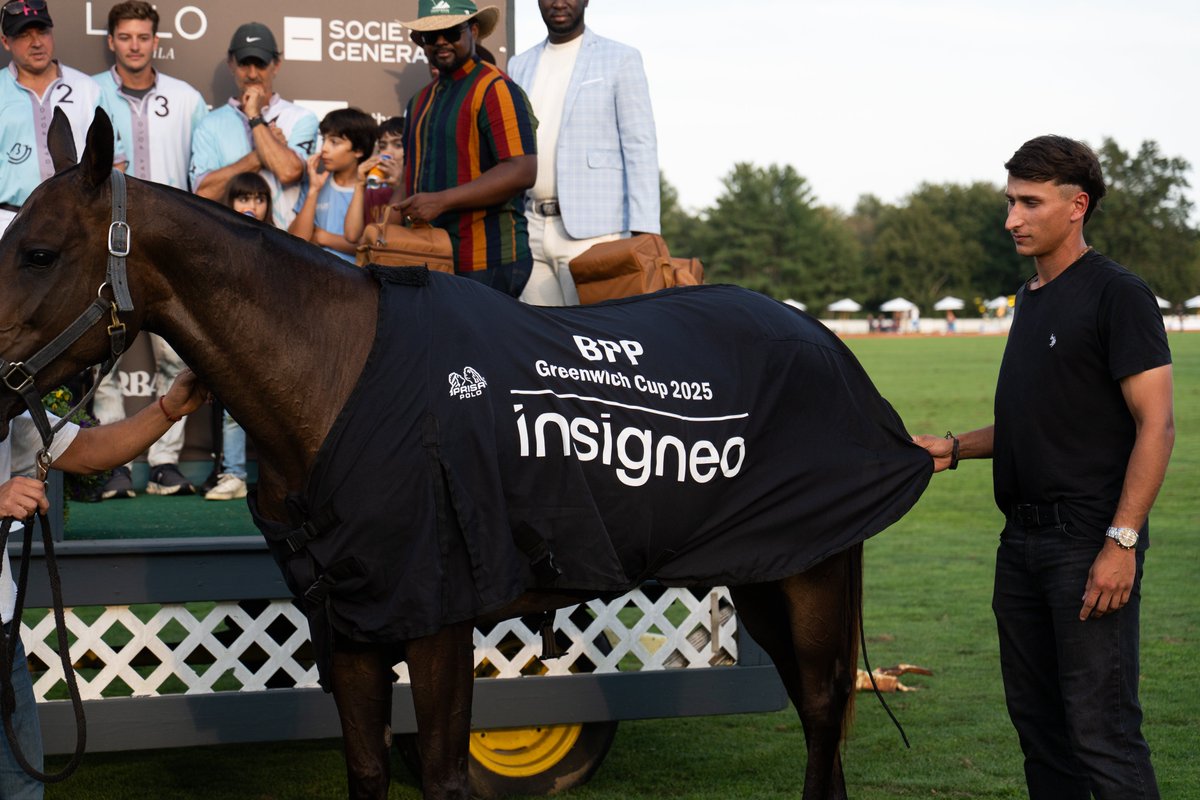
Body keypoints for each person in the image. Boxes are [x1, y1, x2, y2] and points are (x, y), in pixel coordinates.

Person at [914, 135, 1174, 800]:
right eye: (1010, 202)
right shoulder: (1030, 298)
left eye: (1029, 203)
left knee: (1102, 735)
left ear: (1076, 206)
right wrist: (951, 449)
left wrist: (1122, 542)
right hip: (1021, 545)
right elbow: (1038, 421)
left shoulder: (1118, 294)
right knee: (1040, 733)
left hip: (1087, 541)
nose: (1012, 219)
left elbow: (1157, 425)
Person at [0, 371, 206, 798]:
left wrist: (170, 408)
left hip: (3, 638)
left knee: (23, 790)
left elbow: (94, 451)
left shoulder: (10, 417)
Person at [91, 0, 210, 499]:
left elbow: (200, 173)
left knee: (174, 355)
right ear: (112, 40)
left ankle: (164, 464)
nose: (135, 45)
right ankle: (113, 466)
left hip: (165, 245)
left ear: (155, 41)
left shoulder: (186, 98)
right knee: (99, 355)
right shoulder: (87, 92)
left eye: (143, 37)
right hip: (103, 240)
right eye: (125, 37)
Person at [509, 0, 659, 306]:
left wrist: (646, 231)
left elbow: (639, 145)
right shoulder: (518, 65)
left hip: (598, 231)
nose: (559, 2)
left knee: (597, 342)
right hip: (532, 228)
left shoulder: (621, 58)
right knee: (542, 343)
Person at [399, 0, 538, 297]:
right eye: (430, 36)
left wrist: (441, 201)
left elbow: (522, 170)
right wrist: (389, 221)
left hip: (489, 258)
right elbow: (409, 174)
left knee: (483, 343)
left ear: (473, 30)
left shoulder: (496, 88)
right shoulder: (420, 100)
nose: (440, 42)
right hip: (431, 257)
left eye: (450, 32)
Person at [0, 0, 124, 231]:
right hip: (8, 221)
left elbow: (114, 162)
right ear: (6, 42)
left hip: (78, 222)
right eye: (24, 35)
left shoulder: (87, 88)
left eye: (43, 32)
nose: (37, 42)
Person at [189, 21, 317, 229]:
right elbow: (204, 194)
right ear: (231, 64)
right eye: (244, 64)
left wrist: (254, 116)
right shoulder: (209, 124)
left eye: (260, 64)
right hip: (231, 243)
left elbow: (289, 172)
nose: (252, 74)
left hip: (287, 247)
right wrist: (261, 155)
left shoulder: (301, 118)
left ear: (276, 65)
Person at [201, 172, 275, 502]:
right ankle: (234, 474)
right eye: (244, 198)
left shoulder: (275, 240)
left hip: (273, 340)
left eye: (260, 199)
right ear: (230, 202)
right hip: (234, 341)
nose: (252, 206)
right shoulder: (217, 242)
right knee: (234, 410)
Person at [288, 107, 377, 263]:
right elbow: (295, 239)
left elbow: (371, 245)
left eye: (334, 142)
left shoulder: (373, 190)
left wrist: (323, 237)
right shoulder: (314, 183)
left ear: (359, 150)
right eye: (324, 140)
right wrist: (314, 191)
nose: (324, 149)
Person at [344, 115, 405, 244]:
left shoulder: (420, 189)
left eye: (398, 145)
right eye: (383, 146)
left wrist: (399, 187)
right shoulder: (373, 193)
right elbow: (352, 236)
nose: (388, 152)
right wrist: (360, 185)